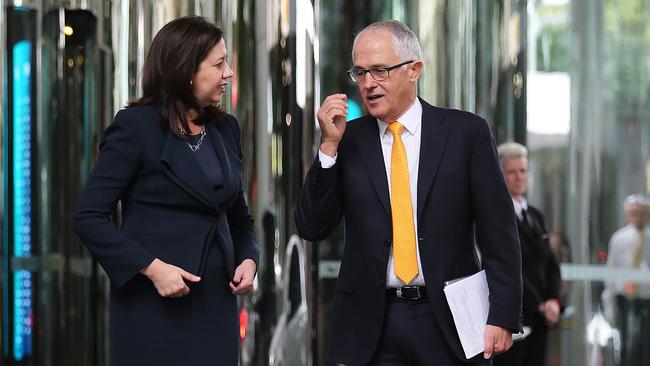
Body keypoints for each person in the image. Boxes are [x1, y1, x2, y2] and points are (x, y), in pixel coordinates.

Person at [295, 19, 522, 365]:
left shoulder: (465, 134)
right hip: (373, 324)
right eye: (360, 73)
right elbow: (312, 227)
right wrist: (328, 147)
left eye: (380, 71)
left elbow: (499, 233)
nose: (368, 84)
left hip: (448, 319)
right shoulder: (348, 139)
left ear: (414, 70)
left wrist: (502, 314)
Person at [73, 16, 259, 365]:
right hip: (153, 307)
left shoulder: (226, 129)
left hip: (216, 308)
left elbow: (239, 217)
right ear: (186, 69)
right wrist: (152, 268)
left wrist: (249, 258)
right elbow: (88, 217)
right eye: (219, 64)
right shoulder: (135, 127)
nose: (229, 73)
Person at [493, 142, 562, 366]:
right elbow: (509, 267)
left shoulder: (535, 214)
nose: (518, 177)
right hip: (514, 320)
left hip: (542, 321)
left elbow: (550, 262)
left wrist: (554, 300)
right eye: (511, 172)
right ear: (500, 174)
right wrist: (539, 304)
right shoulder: (495, 217)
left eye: (522, 171)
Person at [601, 194, 650, 365]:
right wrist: (609, 306)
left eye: (641, 212)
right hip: (625, 300)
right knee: (626, 349)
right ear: (627, 215)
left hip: (647, 300)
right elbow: (611, 272)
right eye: (633, 213)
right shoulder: (619, 239)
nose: (638, 217)